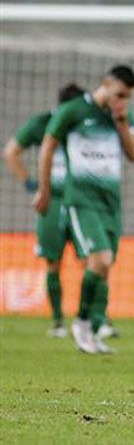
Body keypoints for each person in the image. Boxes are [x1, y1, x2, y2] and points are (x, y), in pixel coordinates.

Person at [33, 65, 134, 354]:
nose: (122, 101)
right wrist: (44, 190)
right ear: (106, 83)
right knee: (100, 259)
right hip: (82, 200)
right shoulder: (73, 111)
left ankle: (94, 332)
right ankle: (81, 322)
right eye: (119, 94)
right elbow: (47, 147)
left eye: (127, 97)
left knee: (105, 267)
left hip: (111, 204)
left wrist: (121, 123)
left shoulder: (121, 116)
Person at [4, 83, 84, 338]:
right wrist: (31, 184)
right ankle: (58, 321)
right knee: (53, 262)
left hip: (81, 200)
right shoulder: (43, 123)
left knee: (91, 262)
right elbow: (11, 152)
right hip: (52, 200)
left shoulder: (84, 127)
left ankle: (92, 319)